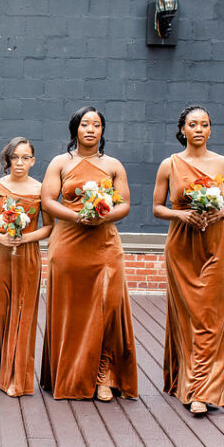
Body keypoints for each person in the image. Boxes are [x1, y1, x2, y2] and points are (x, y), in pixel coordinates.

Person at [39, 106, 138, 401]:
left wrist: (102, 216)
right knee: (73, 309)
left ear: (102, 131)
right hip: (68, 242)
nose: (91, 129)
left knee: (109, 307)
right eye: (85, 124)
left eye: (96, 125)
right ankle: (70, 374)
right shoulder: (60, 163)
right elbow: (47, 199)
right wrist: (76, 216)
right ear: (76, 129)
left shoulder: (113, 165)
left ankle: (103, 375)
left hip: (104, 243)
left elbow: (124, 204)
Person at [153, 105, 224, 415]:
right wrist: (181, 214)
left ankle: (202, 391)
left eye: (205, 124)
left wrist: (218, 213)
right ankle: (184, 380)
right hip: (182, 247)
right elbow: (157, 208)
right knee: (188, 315)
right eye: (193, 124)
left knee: (209, 317)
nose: (199, 129)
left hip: (215, 244)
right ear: (183, 130)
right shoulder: (169, 165)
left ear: (210, 129)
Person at [0, 137, 52, 396]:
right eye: (15, 157)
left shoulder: (41, 189)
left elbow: (49, 226)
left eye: (25, 158)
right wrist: (0, 237)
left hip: (27, 255)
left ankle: (15, 377)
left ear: (33, 161)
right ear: (8, 159)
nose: (20, 163)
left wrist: (25, 237)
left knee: (23, 313)